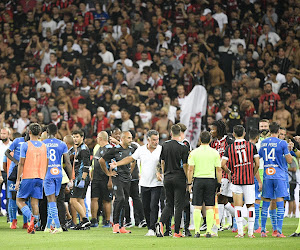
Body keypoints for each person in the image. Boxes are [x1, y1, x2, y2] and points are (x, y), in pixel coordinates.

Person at [110, 130, 163, 236]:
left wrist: (160, 172)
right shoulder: (141, 149)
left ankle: (152, 227)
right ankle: (150, 227)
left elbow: (164, 162)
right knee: (146, 207)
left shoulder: (161, 149)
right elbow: (130, 158)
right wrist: (118, 164)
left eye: (157, 139)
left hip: (157, 183)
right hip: (144, 183)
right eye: (153, 140)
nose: (156, 142)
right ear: (148, 139)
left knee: (154, 205)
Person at [221, 125, 261, 238]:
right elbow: (257, 163)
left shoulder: (229, 148)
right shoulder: (251, 146)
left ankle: (240, 233)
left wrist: (229, 173)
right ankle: (251, 233)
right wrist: (252, 173)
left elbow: (222, 164)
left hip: (236, 180)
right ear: (244, 133)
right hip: (248, 180)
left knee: (237, 206)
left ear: (233, 134)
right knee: (250, 205)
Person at [259, 122, 293, 238]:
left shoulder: (263, 143)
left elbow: (259, 158)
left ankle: (263, 230)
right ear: (278, 131)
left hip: (267, 175)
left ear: (269, 131)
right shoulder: (282, 143)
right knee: (279, 203)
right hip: (279, 176)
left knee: (265, 203)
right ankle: (278, 231)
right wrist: (288, 151)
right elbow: (289, 161)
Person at [155, 124, 189, 238]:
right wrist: (188, 179)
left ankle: (160, 223)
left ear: (171, 133)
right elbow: (185, 165)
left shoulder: (164, 145)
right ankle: (176, 232)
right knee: (178, 205)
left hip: (168, 177)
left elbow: (162, 162)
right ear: (180, 134)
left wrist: (165, 174)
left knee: (169, 204)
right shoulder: (183, 147)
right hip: (179, 177)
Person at [15, 123, 49, 234]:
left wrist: (18, 180)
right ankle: (34, 226)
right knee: (35, 203)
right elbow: (47, 163)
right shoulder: (44, 146)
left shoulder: (25, 145)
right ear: (40, 133)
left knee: (19, 200)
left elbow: (21, 163)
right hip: (40, 177)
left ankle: (31, 218)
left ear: (29, 132)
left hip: (28, 176)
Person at [187, 131, 222, 238]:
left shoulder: (194, 152)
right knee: (209, 206)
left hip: (198, 180)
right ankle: (208, 231)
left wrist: (189, 183)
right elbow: (219, 169)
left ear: (200, 140)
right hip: (210, 180)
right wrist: (219, 184)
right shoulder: (215, 153)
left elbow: (190, 169)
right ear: (210, 140)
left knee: (197, 206)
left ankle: (197, 231)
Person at [100, 131, 135, 234]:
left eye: (131, 138)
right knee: (120, 198)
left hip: (127, 178)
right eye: (128, 138)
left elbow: (133, 162)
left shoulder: (131, 149)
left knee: (125, 201)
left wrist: (130, 172)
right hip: (117, 177)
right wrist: (108, 173)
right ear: (122, 138)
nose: (131, 140)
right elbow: (102, 161)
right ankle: (115, 225)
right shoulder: (114, 150)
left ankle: (122, 226)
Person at [43, 124, 73, 233]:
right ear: (56, 132)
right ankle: (47, 226)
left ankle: (58, 226)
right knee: (53, 200)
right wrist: (70, 178)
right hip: (59, 174)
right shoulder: (62, 144)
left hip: (48, 174)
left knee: (50, 200)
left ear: (46, 132)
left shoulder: (43, 144)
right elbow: (68, 162)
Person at [210, 120, 235, 230]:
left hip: (226, 173)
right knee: (223, 200)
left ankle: (217, 225)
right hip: (216, 174)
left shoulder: (229, 141)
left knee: (221, 199)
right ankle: (242, 220)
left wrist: (231, 171)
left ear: (219, 129)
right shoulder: (213, 143)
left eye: (213, 129)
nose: (211, 132)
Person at [90, 131, 113, 228]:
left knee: (106, 200)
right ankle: (94, 220)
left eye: (98, 137)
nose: (96, 139)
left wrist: (110, 180)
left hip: (105, 178)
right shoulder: (97, 148)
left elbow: (112, 165)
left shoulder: (110, 149)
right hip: (96, 177)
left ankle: (107, 221)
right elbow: (94, 163)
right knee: (94, 198)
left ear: (101, 138)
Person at [69, 130, 91, 230]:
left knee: (73, 201)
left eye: (77, 137)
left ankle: (85, 220)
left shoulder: (84, 149)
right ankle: (83, 222)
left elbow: (86, 166)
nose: (75, 139)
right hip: (79, 177)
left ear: (82, 137)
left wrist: (82, 179)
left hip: (81, 178)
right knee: (80, 200)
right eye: (74, 137)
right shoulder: (78, 148)